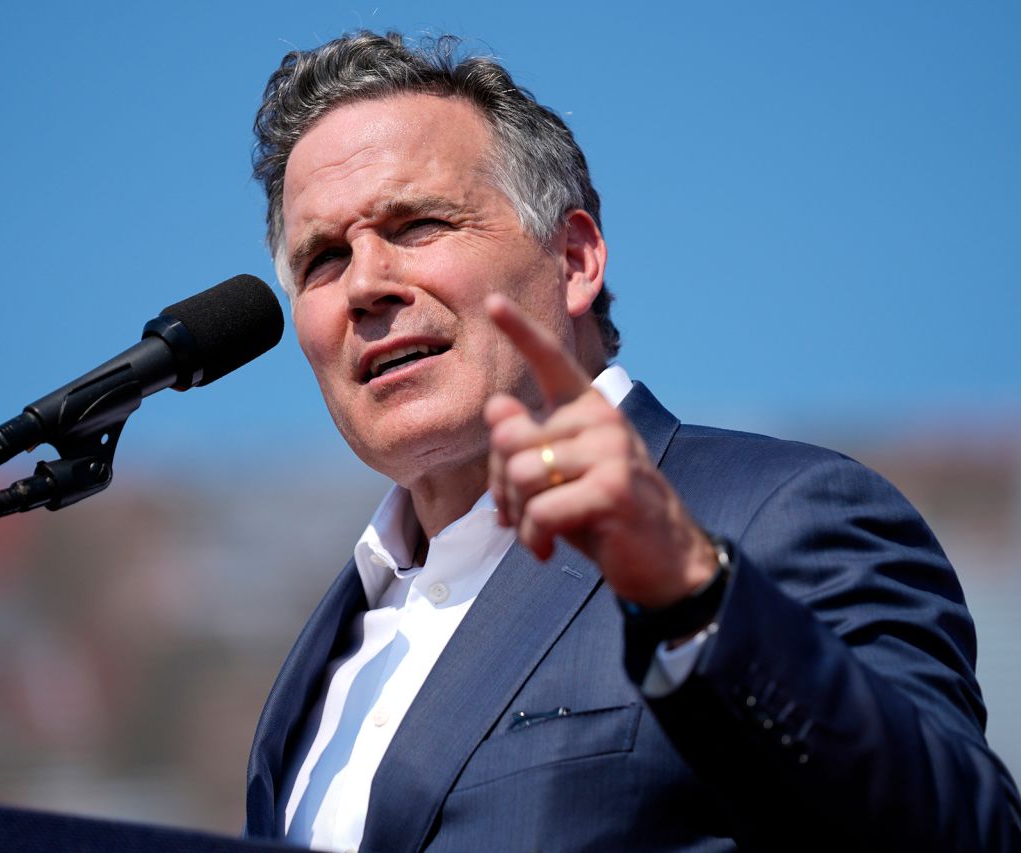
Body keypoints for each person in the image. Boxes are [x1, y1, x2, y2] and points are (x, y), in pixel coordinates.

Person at [241, 30, 1021, 852]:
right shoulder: (319, 667)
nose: (365, 283)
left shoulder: (779, 514)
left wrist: (693, 594)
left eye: (419, 223)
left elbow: (967, 837)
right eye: (324, 257)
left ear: (574, 260)